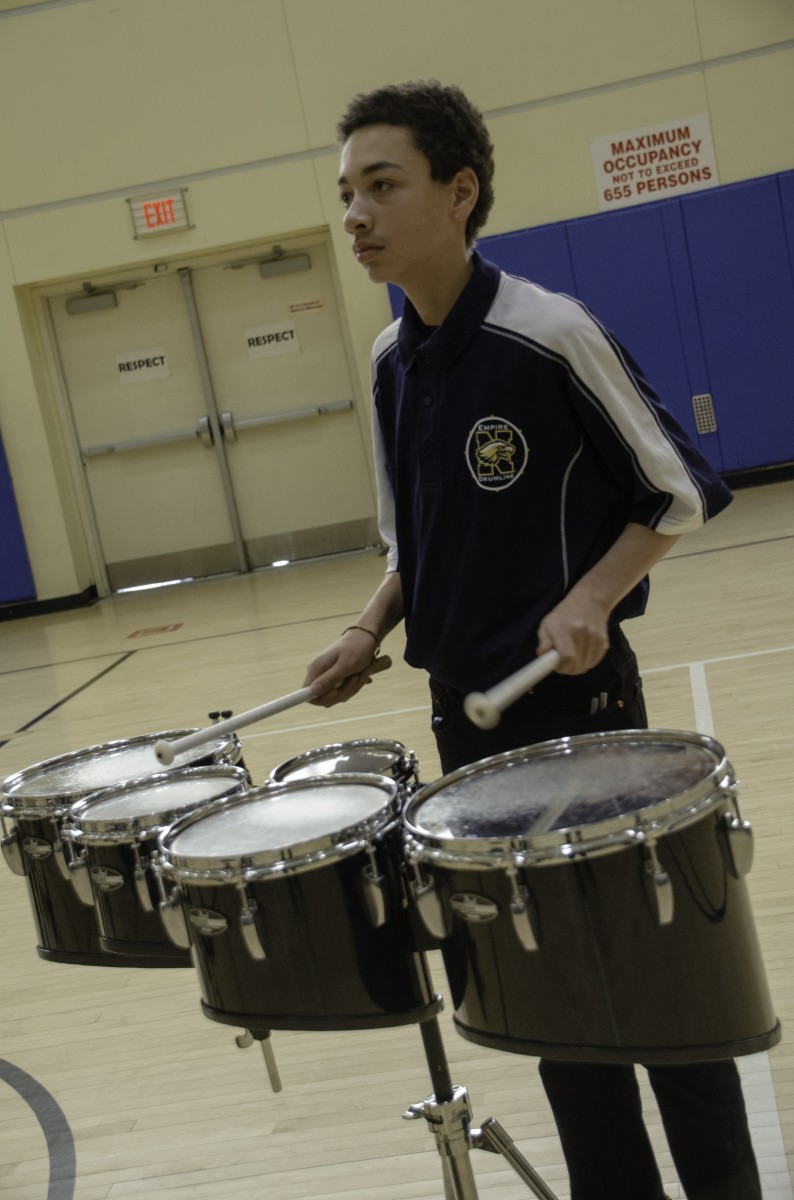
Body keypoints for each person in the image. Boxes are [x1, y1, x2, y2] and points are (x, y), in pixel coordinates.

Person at [303, 79, 761, 1200]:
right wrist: (369, 627)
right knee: (551, 1012)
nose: (355, 214)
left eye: (382, 185)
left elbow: (680, 488)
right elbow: (414, 538)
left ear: (459, 194)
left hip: (584, 722)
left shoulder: (546, 335)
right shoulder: (386, 362)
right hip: (465, 730)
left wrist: (592, 598)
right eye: (345, 191)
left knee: (657, 997)